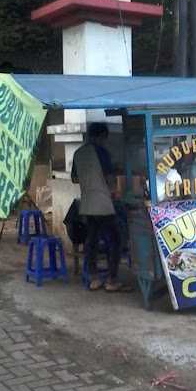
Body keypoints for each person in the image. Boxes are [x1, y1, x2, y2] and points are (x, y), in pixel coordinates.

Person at [71, 123, 123, 292]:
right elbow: (109, 178)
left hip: (87, 204)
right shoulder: (101, 152)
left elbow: (74, 178)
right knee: (116, 240)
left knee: (92, 241)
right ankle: (111, 279)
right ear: (101, 136)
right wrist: (114, 191)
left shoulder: (78, 153)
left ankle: (94, 278)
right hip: (103, 204)